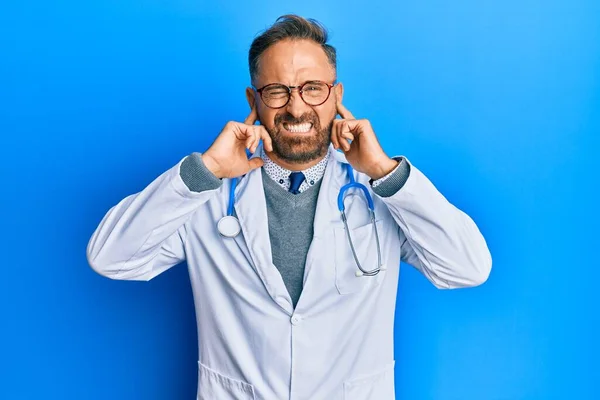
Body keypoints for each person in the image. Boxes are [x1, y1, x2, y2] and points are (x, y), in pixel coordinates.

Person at [87, 14, 492, 400]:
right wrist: (205, 170)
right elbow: (111, 258)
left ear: (337, 96)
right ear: (254, 100)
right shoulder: (209, 196)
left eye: (313, 88)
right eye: (277, 91)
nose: (297, 108)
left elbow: (467, 268)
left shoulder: (378, 195)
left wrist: (386, 174)